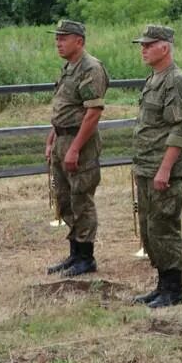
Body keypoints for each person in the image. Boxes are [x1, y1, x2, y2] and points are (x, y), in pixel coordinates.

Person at [130, 25, 182, 308]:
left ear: (164, 47)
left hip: (161, 166)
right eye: (142, 45)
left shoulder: (175, 81)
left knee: (164, 226)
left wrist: (166, 168)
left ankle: (174, 288)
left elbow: (180, 128)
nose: (143, 49)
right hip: (146, 164)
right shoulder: (155, 78)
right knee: (149, 227)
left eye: (148, 45)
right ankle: (162, 283)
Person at [45, 20, 109, 278]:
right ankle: (75, 253)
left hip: (79, 142)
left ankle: (86, 257)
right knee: (65, 198)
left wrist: (74, 149)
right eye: (57, 38)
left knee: (81, 198)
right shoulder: (69, 67)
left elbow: (93, 113)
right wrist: (52, 138)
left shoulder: (90, 68)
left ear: (79, 41)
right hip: (63, 138)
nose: (58, 42)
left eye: (64, 38)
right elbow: (64, 107)